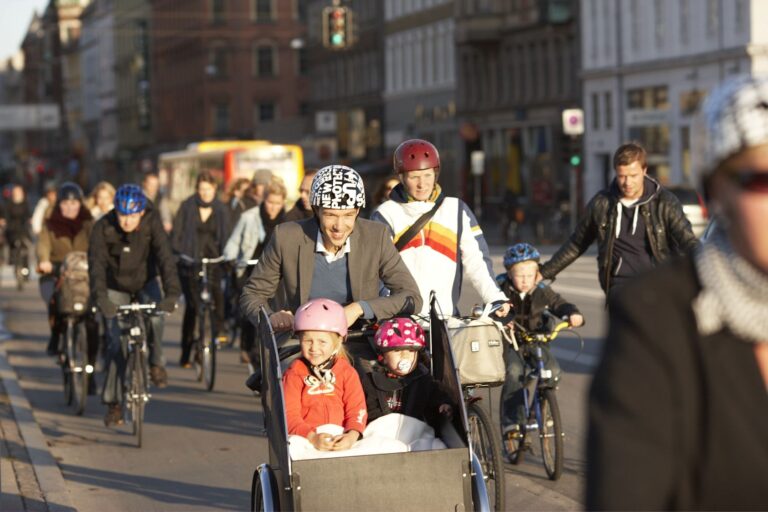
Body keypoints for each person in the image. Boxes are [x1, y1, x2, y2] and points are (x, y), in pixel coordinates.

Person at [587, 75, 768, 509]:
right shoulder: (656, 320)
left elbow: (684, 237)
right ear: (714, 192)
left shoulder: (663, 204)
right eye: (762, 180)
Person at [240, 164, 422, 337]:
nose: (339, 226)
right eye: (330, 215)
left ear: (358, 211)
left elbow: (411, 296)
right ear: (316, 210)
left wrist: (360, 308)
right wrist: (271, 317)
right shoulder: (286, 237)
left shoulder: (376, 236)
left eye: (348, 215)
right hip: (302, 341)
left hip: (358, 340)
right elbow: (253, 294)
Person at [539, 141, 699, 298]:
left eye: (633, 176)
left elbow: (687, 241)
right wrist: (543, 272)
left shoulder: (664, 202)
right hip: (619, 286)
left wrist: (709, 270)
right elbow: (576, 244)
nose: (627, 183)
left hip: (657, 283)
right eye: (622, 176)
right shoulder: (602, 203)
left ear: (644, 171)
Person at [372, 139, 509, 319]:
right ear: (401, 176)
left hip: (447, 318)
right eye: (414, 177)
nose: (422, 184)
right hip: (401, 320)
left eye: (428, 175)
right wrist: (389, 307)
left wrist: (495, 298)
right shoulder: (386, 214)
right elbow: (377, 268)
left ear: (436, 174)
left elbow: (477, 261)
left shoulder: (456, 210)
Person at [89, 185, 181, 426]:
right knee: (115, 343)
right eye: (122, 215)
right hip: (114, 286)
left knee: (157, 316)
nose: (127, 221)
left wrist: (171, 295)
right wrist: (102, 300)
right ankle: (114, 403)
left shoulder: (152, 223)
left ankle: (156, 362)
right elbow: (96, 267)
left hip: (145, 282)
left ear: (141, 212)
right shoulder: (102, 227)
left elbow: (166, 260)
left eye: (132, 215)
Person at [496, 243, 583, 448]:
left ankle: (541, 406)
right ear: (509, 274)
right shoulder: (500, 287)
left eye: (530, 274)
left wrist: (572, 314)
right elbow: (489, 306)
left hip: (538, 340)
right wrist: (498, 317)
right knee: (514, 372)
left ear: (537, 273)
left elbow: (558, 303)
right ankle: (512, 423)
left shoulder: (542, 289)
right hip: (513, 342)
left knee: (552, 370)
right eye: (520, 275)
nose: (525, 280)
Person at [284, 298, 367, 453]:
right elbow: (289, 415)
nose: (314, 348)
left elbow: (357, 410)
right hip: (307, 437)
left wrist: (351, 435)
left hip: (341, 435)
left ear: (337, 342)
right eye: (308, 341)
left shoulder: (347, 372)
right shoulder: (295, 372)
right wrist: (312, 437)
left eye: (322, 342)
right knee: (293, 447)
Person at [171, 171, 231, 368]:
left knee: (217, 294)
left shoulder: (221, 209)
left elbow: (227, 235)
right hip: (190, 260)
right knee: (193, 306)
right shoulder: (187, 206)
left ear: (215, 189)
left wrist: (228, 256)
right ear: (197, 190)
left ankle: (220, 329)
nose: (205, 193)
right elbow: (177, 233)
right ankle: (186, 351)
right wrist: (178, 253)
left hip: (214, 258)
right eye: (202, 189)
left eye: (209, 189)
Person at [223, 178, 287, 362]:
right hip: (249, 268)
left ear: (283, 202)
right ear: (263, 199)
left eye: (277, 203)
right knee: (250, 307)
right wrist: (230, 258)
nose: (273, 207)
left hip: (275, 274)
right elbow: (234, 241)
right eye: (269, 202)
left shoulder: (288, 221)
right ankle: (247, 346)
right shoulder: (249, 217)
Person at [35, 183, 96, 356]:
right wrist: (44, 261)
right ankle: (55, 335)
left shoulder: (89, 223)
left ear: (80, 204)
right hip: (56, 272)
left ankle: (90, 368)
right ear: (59, 204)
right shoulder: (50, 224)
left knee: (92, 317)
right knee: (54, 301)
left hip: (84, 273)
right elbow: (42, 246)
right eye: (65, 204)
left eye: (74, 203)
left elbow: (99, 245)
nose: (70, 208)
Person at [362, 317, 453, 428]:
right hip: (382, 431)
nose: (405, 356)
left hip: (415, 432)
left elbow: (436, 395)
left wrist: (443, 404)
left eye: (411, 351)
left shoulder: (423, 379)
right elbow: (370, 408)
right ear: (384, 357)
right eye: (397, 351)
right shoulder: (372, 381)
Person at [3, 185, 32, 275]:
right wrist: (4, 221)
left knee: (25, 248)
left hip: (23, 228)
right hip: (12, 228)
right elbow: (6, 215)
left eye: (19, 192)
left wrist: (30, 219)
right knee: (11, 243)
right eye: (15, 192)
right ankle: (12, 260)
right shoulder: (9, 204)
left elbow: (28, 214)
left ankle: (26, 269)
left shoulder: (25, 203)